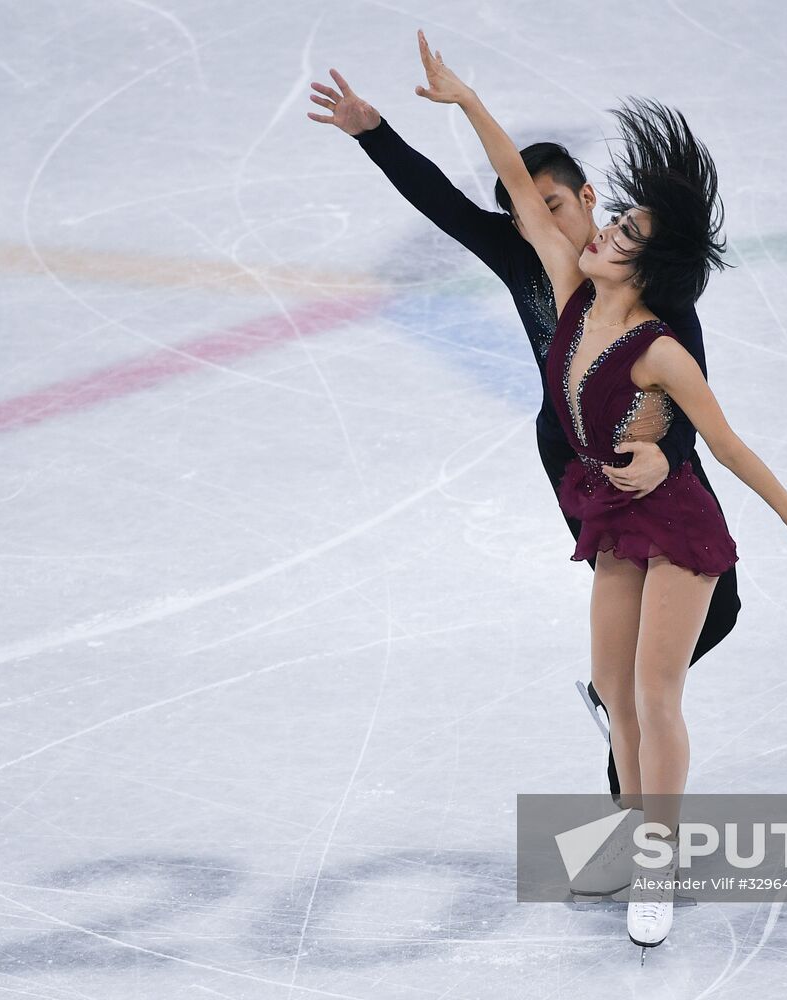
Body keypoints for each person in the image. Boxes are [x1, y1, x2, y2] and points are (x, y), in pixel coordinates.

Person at [401, 31, 787, 954]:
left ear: (644, 266)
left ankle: (659, 864)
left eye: (624, 234)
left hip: (678, 526)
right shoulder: (569, 287)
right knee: (612, 692)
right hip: (613, 520)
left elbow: (722, 441)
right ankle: (626, 837)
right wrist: (469, 101)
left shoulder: (660, 347)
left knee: (653, 696)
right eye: (614, 221)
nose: (602, 231)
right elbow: (519, 190)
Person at [306, 56, 740, 811]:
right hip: (571, 454)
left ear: (587, 197)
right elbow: (440, 200)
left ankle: (629, 706)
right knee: (629, 641)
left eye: (552, 204)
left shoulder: (648, 283)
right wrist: (373, 133)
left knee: (720, 609)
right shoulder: (522, 252)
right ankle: (629, 765)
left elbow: (690, 388)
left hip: (658, 454)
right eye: (523, 210)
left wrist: (665, 455)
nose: (538, 219)